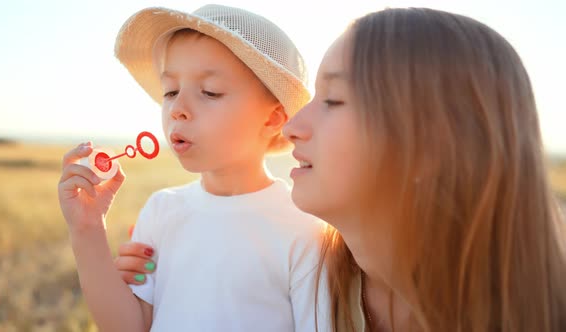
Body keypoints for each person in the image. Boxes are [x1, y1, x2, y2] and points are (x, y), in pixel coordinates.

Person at [117, 7, 566, 331]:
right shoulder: (326, 279)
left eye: (332, 100)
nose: (291, 126)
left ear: (429, 146)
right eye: (170, 92)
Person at [58, 4, 329, 332]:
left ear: (273, 118)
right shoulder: (161, 210)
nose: (177, 109)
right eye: (170, 91)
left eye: (210, 92)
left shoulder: (305, 227)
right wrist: (87, 230)